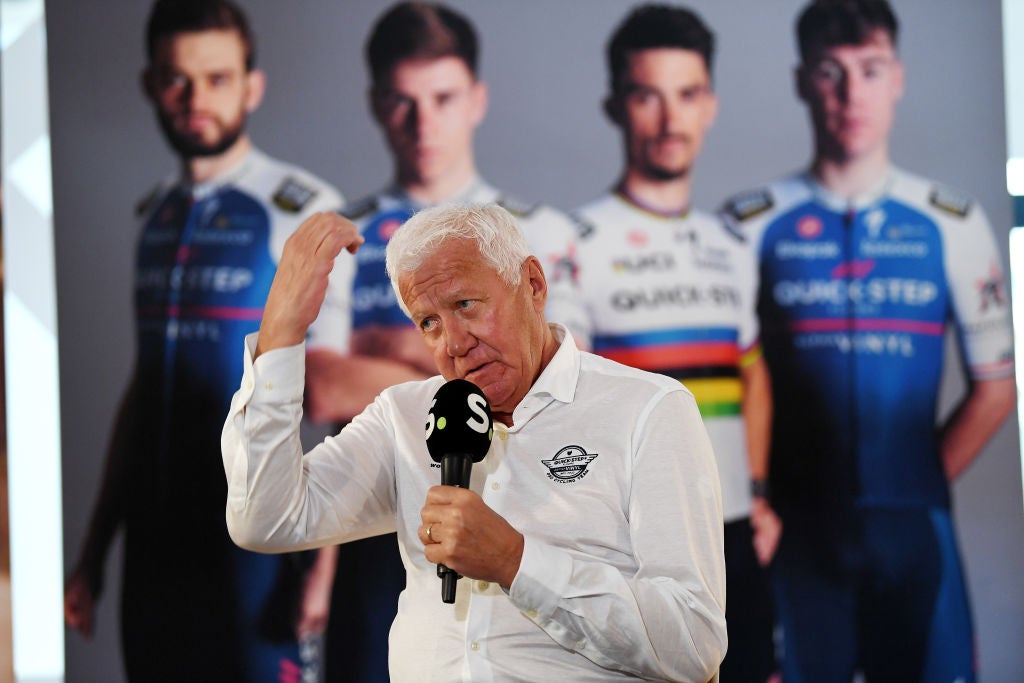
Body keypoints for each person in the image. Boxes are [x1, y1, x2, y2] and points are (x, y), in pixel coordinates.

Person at [222, 202, 726, 682]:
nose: (455, 344)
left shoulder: (647, 408)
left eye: (466, 305)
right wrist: (281, 333)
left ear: (532, 284)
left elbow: (692, 641)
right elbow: (267, 520)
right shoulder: (404, 415)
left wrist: (516, 561)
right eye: (429, 323)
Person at [721, 1, 1015, 680]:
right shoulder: (750, 222)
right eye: (831, 71)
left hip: (915, 528)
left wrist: (911, 486)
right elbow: (727, 380)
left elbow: (997, 388)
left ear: (898, 78)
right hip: (795, 535)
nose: (852, 93)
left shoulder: (954, 221)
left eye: (870, 69)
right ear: (802, 81)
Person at [303, 4, 590, 681]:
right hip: (381, 531)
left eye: (443, 98)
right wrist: (477, 353)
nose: (423, 121)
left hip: (525, 524)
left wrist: (385, 346)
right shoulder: (348, 238)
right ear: (377, 104)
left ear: (477, 100)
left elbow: (545, 384)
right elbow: (322, 385)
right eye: (403, 101)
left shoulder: (541, 230)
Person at [62, 1, 347, 680]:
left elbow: (333, 402)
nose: (196, 100)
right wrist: (94, 554)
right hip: (153, 555)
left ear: (252, 86)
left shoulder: (303, 207)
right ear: (150, 86)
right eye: (177, 79)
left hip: (259, 554)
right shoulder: (154, 213)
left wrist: (323, 570)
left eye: (217, 78)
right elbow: (145, 390)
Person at [573, 5, 778, 681]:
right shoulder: (576, 243)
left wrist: (759, 496)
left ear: (710, 105)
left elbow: (751, 372)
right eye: (646, 96)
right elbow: (561, 402)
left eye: (687, 95)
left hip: (735, 542)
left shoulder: (732, 242)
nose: (669, 119)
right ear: (614, 106)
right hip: (633, 544)